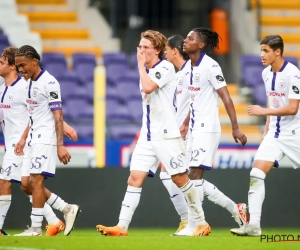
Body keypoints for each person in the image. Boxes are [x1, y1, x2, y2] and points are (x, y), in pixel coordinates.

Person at [96, 30, 210, 237]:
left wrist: (140, 65)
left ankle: (200, 222)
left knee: (180, 179)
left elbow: (148, 88)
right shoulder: (147, 70)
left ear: (157, 50)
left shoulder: (165, 67)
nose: (140, 51)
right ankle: (122, 226)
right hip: (148, 135)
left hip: (166, 134)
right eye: (139, 47)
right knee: (134, 178)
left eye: (145, 47)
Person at [163, 34, 249, 235]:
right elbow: (194, 102)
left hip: (207, 128)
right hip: (193, 128)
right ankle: (231, 209)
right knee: (185, 176)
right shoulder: (191, 68)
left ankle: (193, 224)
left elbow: (226, 96)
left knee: (190, 176)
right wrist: (185, 123)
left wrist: (235, 127)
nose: (186, 39)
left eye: (191, 38)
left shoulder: (210, 66)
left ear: (200, 44)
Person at [231, 35, 300, 236]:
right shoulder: (266, 73)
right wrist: (266, 129)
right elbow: (273, 101)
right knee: (256, 174)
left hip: (295, 134)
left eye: (266, 51)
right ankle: (254, 226)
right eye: (261, 50)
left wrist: (263, 113)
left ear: (277, 52)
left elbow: (293, 108)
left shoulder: (293, 74)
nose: (262, 55)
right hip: (274, 135)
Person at [8, 45, 80, 236]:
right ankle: (66, 208)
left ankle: (35, 228)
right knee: (25, 184)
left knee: (37, 182)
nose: (20, 69)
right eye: (17, 66)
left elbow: (57, 114)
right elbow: (33, 114)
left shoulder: (50, 83)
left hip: (45, 137)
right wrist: (23, 138)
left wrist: (60, 145)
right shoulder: (28, 83)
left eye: (23, 65)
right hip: (32, 138)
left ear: (34, 61)